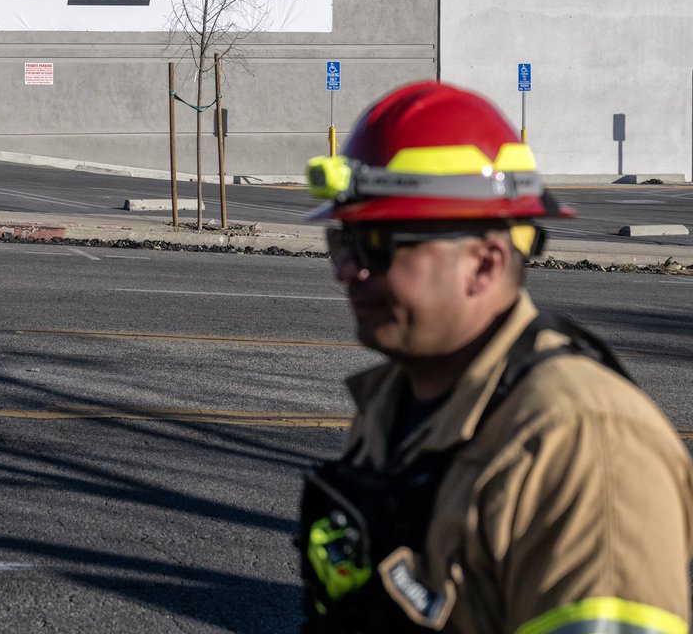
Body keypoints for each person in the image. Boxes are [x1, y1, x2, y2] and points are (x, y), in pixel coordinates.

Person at [295, 80, 693, 634]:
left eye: (376, 244)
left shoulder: (582, 442)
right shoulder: (393, 400)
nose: (346, 270)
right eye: (343, 243)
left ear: (484, 264)